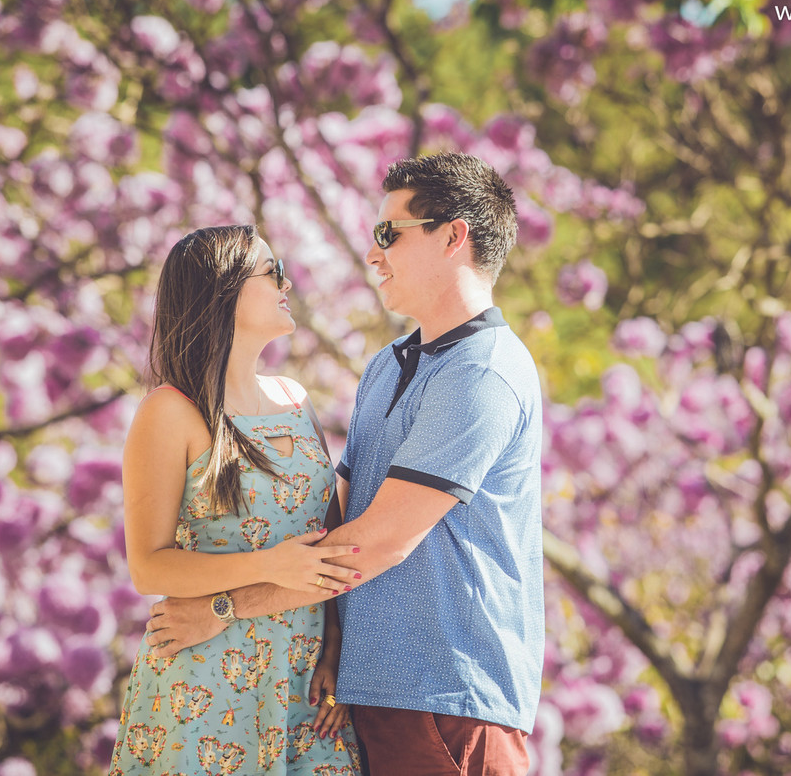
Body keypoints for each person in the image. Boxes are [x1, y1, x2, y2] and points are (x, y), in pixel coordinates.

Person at [146, 153, 545, 775]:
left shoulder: (483, 374)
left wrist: (223, 607)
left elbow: (374, 544)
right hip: (363, 696)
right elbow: (333, 512)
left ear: (452, 236)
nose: (373, 253)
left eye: (390, 233)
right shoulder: (389, 364)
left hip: (446, 700)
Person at [110, 224, 364, 775]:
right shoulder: (170, 411)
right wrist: (271, 565)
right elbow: (148, 565)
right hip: (206, 684)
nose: (286, 282)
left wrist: (339, 648)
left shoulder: (295, 399)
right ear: (223, 290)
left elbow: (333, 537)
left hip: (307, 685)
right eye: (271, 272)